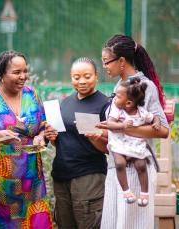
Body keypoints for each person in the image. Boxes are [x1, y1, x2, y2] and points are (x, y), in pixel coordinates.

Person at [0, 50, 53, 228]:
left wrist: (40, 136)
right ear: (1, 74)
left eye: (25, 71)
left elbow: (44, 125)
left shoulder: (32, 95)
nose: (23, 77)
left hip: (31, 183)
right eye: (16, 72)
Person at [98, 34, 169, 229]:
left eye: (106, 62)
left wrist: (125, 128)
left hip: (138, 171)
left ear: (121, 61)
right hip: (117, 168)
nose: (104, 66)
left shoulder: (145, 86)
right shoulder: (119, 85)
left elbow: (163, 130)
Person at [44, 57, 109, 229]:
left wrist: (93, 136)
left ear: (96, 76)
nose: (81, 81)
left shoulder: (105, 104)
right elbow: (61, 143)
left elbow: (110, 147)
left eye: (87, 76)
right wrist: (52, 137)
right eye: (76, 77)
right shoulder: (66, 103)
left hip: (88, 177)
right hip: (61, 176)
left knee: (89, 224)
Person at [105, 78, 161, 207]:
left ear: (129, 103)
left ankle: (144, 194)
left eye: (118, 96)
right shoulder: (118, 111)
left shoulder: (142, 113)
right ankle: (126, 192)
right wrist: (122, 125)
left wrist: (156, 122)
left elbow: (154, 116)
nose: (114, 99)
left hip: (135, 144)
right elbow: (109, 123)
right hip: (119, 144)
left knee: (141, 165)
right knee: (120, 163)